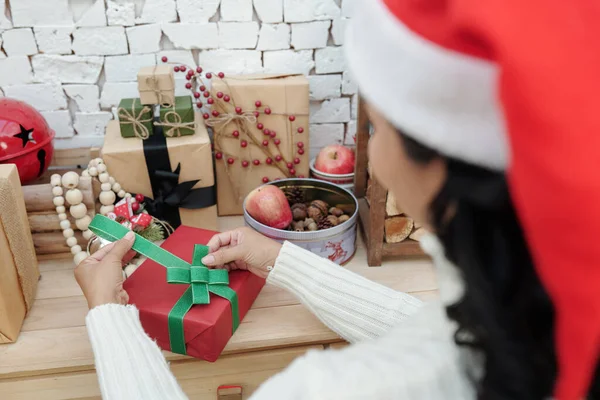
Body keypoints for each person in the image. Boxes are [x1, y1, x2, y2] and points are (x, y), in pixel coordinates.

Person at [75, 1, 600, 399]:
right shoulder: (542, 315)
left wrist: (107, 314)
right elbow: (440, 332)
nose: (365, 145)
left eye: (376, 125)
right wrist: (282, 260)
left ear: (433, 162)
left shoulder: (328, 389)